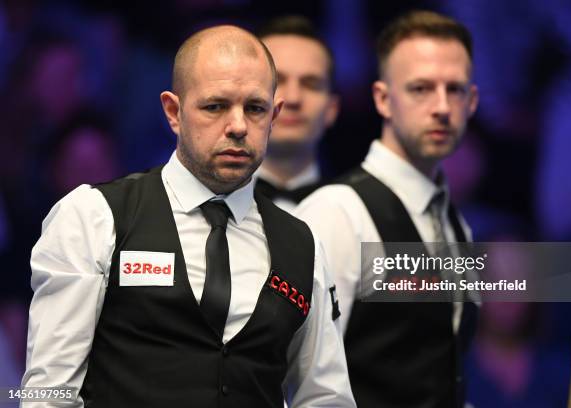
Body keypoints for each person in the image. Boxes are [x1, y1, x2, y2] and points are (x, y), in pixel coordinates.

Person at [22, 25, 355, 408]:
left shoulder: (303, 245)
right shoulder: (94, 216)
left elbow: (325, 398)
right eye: (215, 106)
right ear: (173, 112)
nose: (238, 126)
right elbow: (48, 393)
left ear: (274, 114)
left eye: (255, 108)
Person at [296, 10, 479, 408]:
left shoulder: (456, 224)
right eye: (421, 88)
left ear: (473, 101)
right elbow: (297, 384)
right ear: (382, 98)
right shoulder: (336, 214)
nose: (442, 106)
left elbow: (436, 371)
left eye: (456, 89)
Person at [254, 16, 340, 212]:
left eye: (311, 84)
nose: (293, 98)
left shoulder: (363, 210)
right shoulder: (188, 207)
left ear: (332, 109)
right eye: (277, 81)